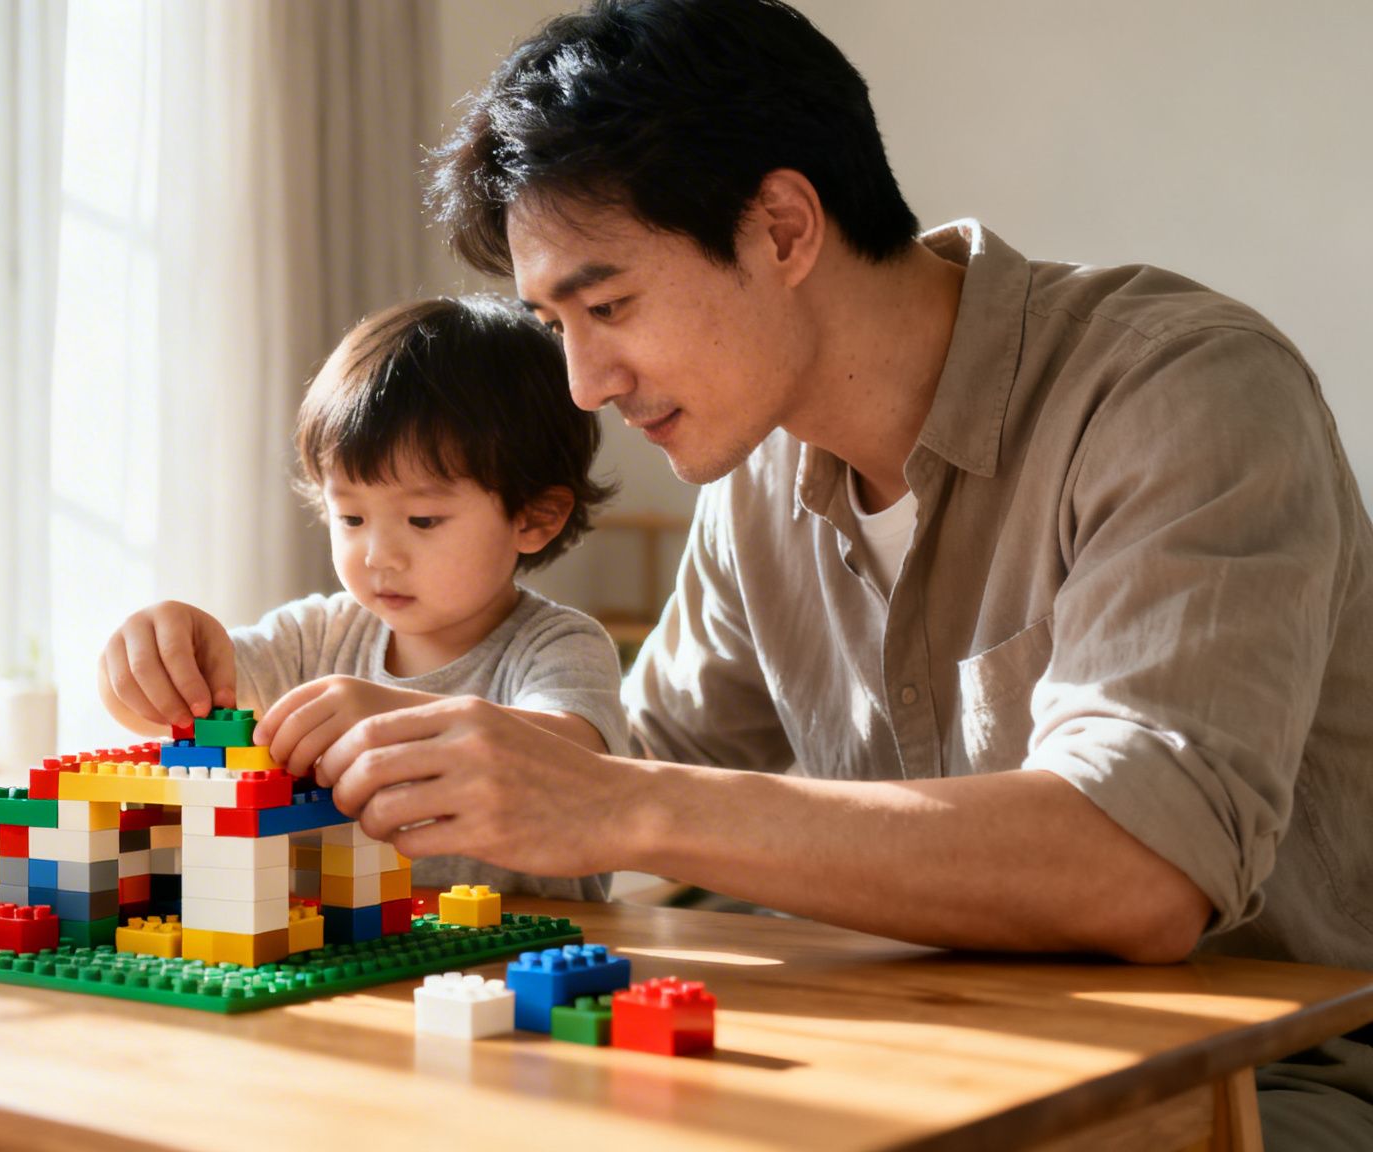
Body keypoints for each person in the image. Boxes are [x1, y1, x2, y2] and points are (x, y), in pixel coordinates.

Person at [299, 0, 1373, 1144]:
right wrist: (424, 750)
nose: (580, 384)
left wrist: (620, 803)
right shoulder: (755, 487)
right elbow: (630, 764)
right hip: (914, 1048)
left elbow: (1140, 867)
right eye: (552, 322)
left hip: (1253, 1086)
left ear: (780, 228)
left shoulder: (1180, 393)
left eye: (606, 305)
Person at [96, 295, 629, 899]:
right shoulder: (313, 638)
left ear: (535, 518)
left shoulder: (558, 647)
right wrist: (160, 654)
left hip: (522, 959)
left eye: (423, 520)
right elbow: (184, 705)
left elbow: (577, 763)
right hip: (341, 967)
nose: (377, 555)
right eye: (349, 517)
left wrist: (390, 721)